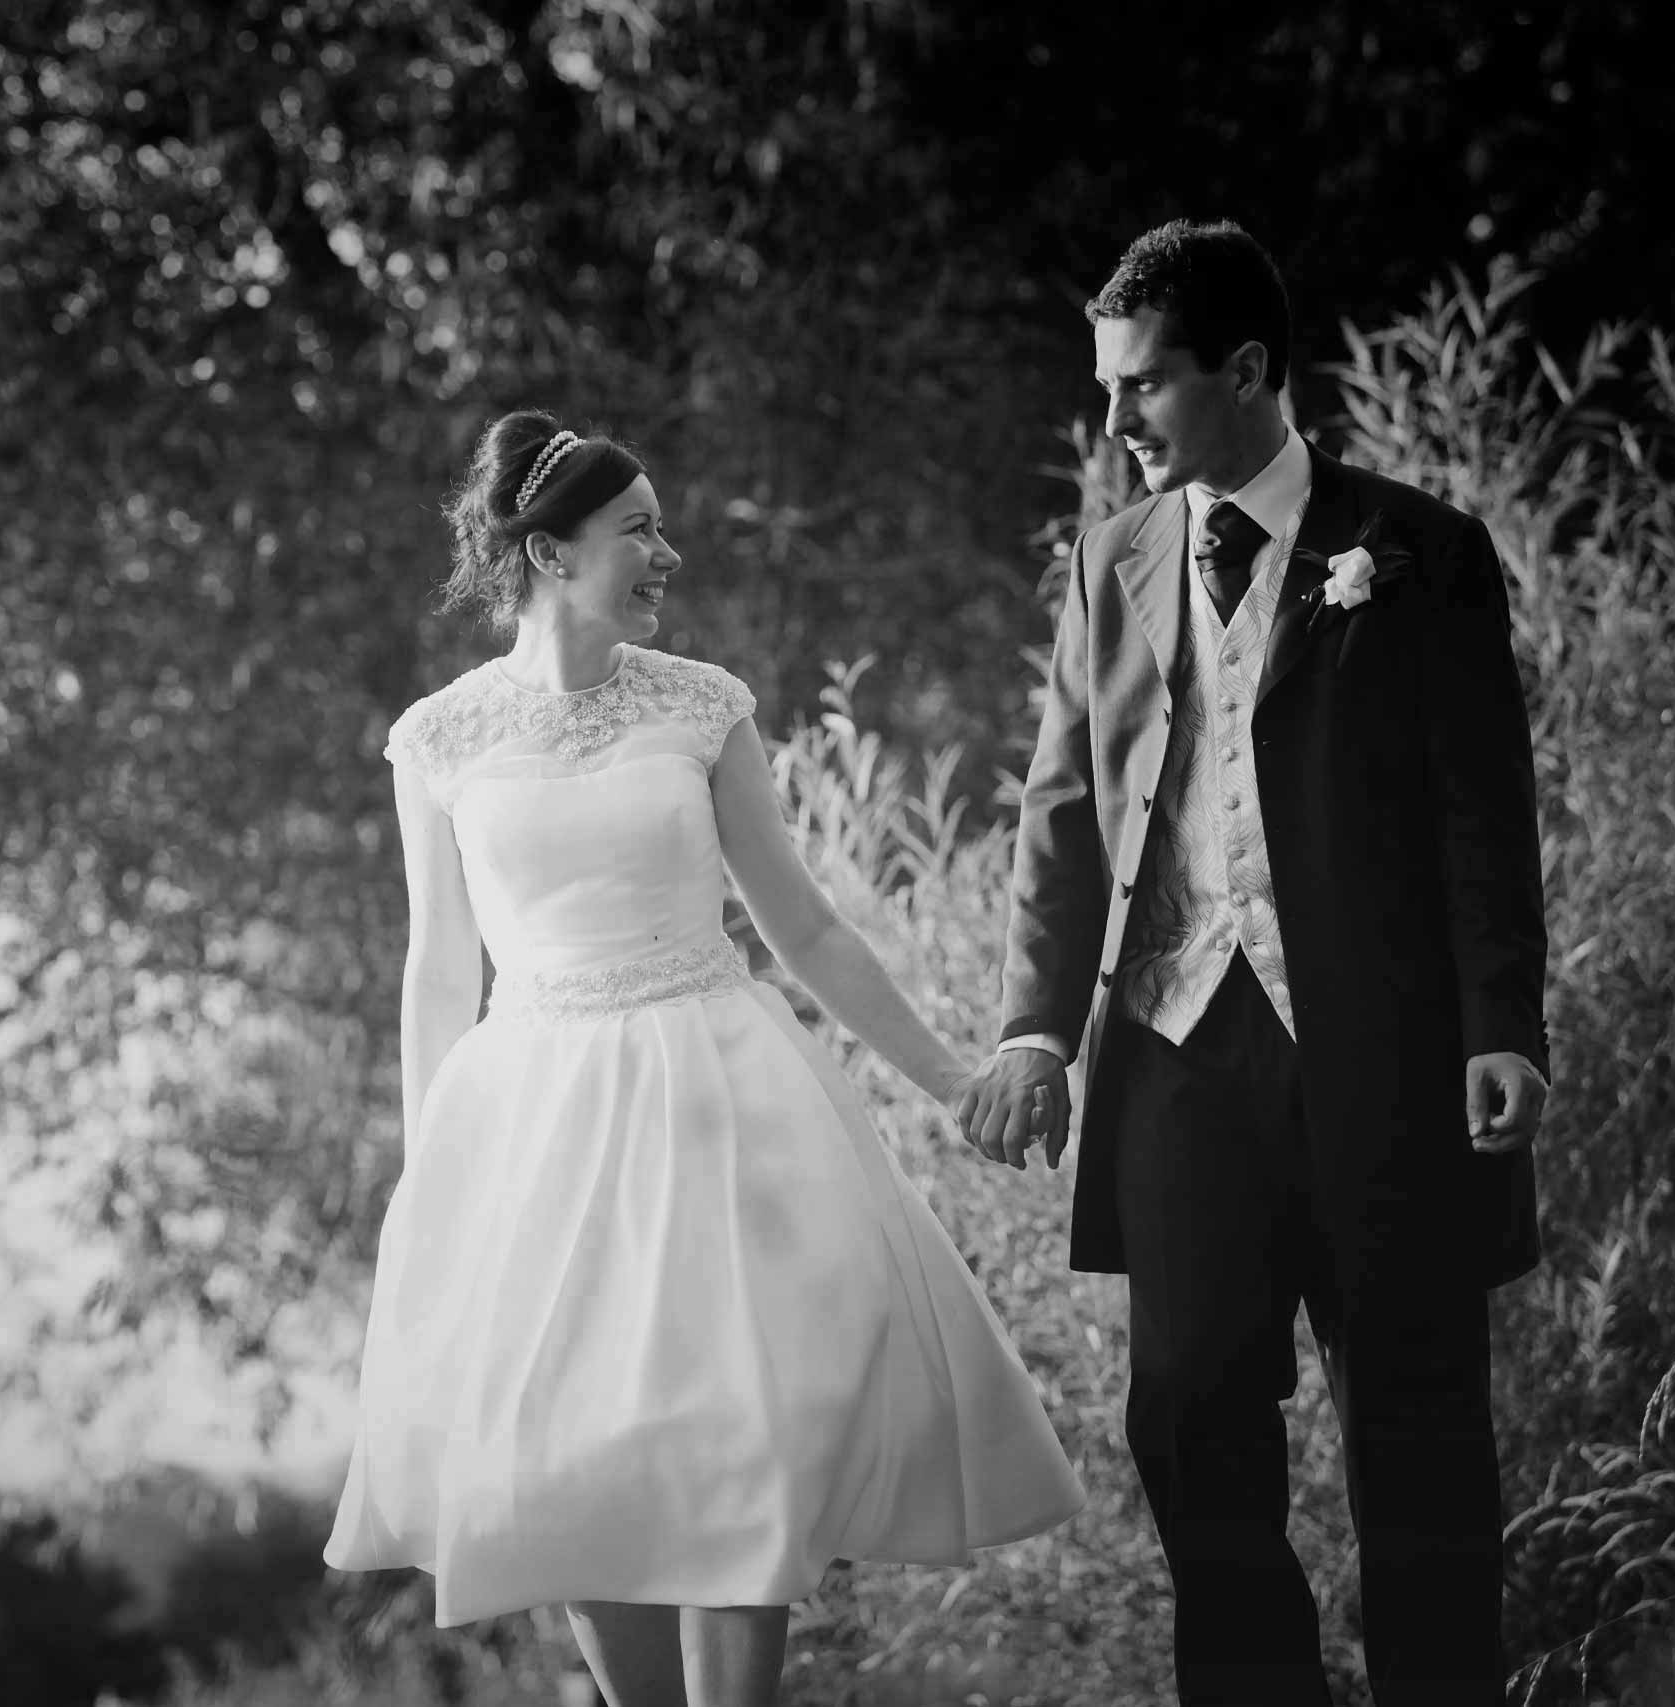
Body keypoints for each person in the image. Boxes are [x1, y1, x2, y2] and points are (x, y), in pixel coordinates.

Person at [325, 410, 1086, 1707]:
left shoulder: (700, 705)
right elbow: (440, 968)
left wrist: (953, 1076)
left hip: (717, 1099)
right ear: (551, 553)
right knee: (564, 1458)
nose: (667, 554)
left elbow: (806, 928)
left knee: (745, 1438)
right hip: (535, 1120)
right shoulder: (439, 738)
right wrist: (427, 1175)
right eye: (639, 531)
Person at [953, 219, 1551, 1706]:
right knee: (1188, 1426)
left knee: (1418, 1448)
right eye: (1106, 385)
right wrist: (1034, 1029)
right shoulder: (1111, 560)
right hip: (1177, 1059)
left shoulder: (1419, 551)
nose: (1115, 418)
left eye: (1143, 384)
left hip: (1387, 1063)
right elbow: (1061, 805)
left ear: (1246, 370)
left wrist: (1503, 1023)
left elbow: (1482, 810)